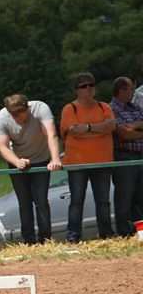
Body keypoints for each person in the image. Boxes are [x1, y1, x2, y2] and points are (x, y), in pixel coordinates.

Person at [0, 92, 61, 244]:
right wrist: (17, 162)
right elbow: (2, 147)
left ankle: (46, 239)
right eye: (13, 114)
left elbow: (51, 135)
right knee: (24, 202)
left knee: (41, 200)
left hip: (41, 159)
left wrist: (55, 159)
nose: (18, 117)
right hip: (17, 161)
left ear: (27, 107)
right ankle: (28, 241)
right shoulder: (2, 117)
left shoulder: (41, 109)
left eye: (20, 113)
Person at [59, 73, 117, 242]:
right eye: (84, 86)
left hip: (103, 162)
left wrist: (88, 128)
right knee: (77, 201)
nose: (89, 89)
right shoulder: (70, 108)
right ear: (77, 90)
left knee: (104, 201)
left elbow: (111, 126)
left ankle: (106, 234)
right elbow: (73, 130)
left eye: (91, 85)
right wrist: (100, 129)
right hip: (77, 163)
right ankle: (73, 236)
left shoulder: (104, 107)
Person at [108, 75, 143, 233]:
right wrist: (135, 128)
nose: (133, 93)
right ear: (121, 90)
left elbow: (129, 130)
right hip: (124, 157)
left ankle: (141, 232)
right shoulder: (110, 109)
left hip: (140, 157)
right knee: (125, 197)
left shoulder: (135, 107)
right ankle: (124, 233)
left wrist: (133, 126)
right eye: (131, 90)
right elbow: (123, 134)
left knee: (140, 197)